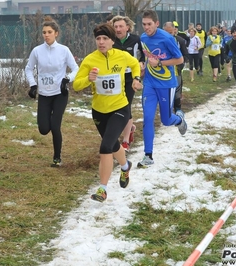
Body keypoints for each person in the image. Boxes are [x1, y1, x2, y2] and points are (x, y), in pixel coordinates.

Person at [73, 23, 143, 202]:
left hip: (120, 108)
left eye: (105, 38)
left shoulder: (122, 56)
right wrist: (88, 79)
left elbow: (135, 64)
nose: (101, 42)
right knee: (112, 145)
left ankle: (102, 189)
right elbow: (76, 85)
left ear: (112, 41)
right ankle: (125, 166)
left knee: (105, 147)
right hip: (99, 112)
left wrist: (136, 79)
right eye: (98, 39)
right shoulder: (90, 60)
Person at [25, 16, 79, 167]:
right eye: (44, 32)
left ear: (56, 33)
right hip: (44, 94)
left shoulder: (63, 50)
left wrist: (67, 79)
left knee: (55, 126)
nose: (46, 35)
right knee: (43, 129)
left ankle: (57, 158)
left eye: (49, 32)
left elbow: (76, 68)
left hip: (60, 93)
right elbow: (29, 69)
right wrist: (33, 85)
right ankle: (48, 126)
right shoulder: (37, 51)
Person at [138, 10, 186, 168]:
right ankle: (148, 155)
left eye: (149, 24)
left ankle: (179, 119)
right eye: (144, 24)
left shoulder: (166, 38)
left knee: (166, 120)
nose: (146, 27)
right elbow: (147, 57)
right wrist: (143, 67)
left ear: (156, 24)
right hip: (150, 84)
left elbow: (180, 59)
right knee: (148, 118)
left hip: (166, 84)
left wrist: (159, 63)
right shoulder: (143, 38)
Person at [111, 15, 145, 153]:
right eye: (116, 27)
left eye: (121, 26)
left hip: (131, 77)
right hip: (115, 77)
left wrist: (142, 62)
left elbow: (144, 54)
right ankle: (129, 128)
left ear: (127, 27)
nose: (118, 29)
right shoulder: (111, 40)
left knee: (126, 107)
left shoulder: (136, 39)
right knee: (116, 106)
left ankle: (125, 141)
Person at [163, 21, 188, 116]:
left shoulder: (180, 40)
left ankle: (178, 109)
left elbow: (185, 54)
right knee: (165, 92)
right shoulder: (159, 41)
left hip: (176, 71)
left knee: (177, 91)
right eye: (166, 32)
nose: (168, 34)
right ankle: (166, 111)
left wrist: (181, 63)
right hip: (163, 71)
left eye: (170, 32)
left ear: (174, 30)